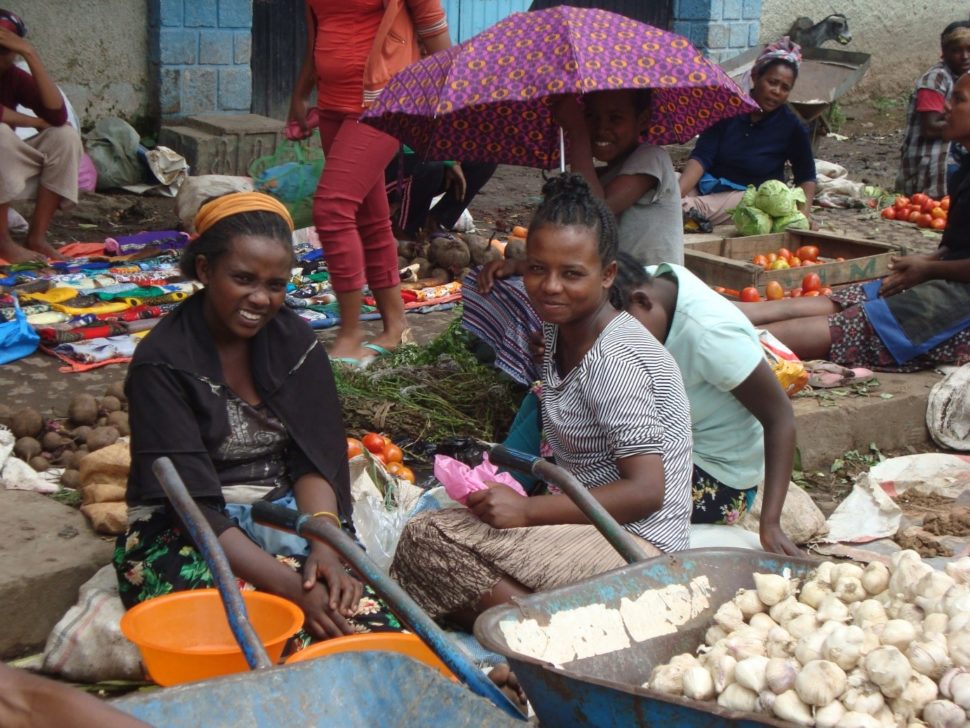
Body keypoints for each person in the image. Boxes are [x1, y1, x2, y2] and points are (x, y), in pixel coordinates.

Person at [389, 174, 693, 625]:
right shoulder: (558, 332)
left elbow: (647, 491)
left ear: (608, 275)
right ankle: (561, 617)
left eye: (572, 274)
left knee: (429, 541)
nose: (551, 287)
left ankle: (545, 630)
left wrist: (529, 510)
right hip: (589, 526)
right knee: (430, 539)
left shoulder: (616, 360)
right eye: (537, 269)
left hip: (637, 546)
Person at [114, 192, 398, 640]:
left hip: (288, 511)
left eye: (276, 285)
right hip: (188, 529)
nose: (260, 299)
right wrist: (289, 586)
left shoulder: (295, 344)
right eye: (243, 278)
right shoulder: (163, 363)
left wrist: (324, 544)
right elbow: (192, 509)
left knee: (361, 617)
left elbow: (313, 458)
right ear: (205, 270)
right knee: (266, 628)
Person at [740, 72, 970, 374]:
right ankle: (734, 315)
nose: (948, 106)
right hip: (948, 277)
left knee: (854, 324)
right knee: (857, 296)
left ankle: (727, 343)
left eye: (960, 100)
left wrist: (929, 268)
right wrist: (928, 261)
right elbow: (958, 246)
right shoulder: (963, 167)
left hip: (960, 301)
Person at [461, 88, 683, 384]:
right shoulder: (603, 174)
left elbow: (595, 211)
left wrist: (577, 131)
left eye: (615, 118)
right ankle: (528, 361)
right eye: (591, 117)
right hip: (597, 283)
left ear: (642, 118)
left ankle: (546, 373)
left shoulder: (651, 158)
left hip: (639, 293)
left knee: (541, 309)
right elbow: (571, 251)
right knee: (495, 286)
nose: (601, 128)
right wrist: (519, 266)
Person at [288, 0, 451, 367]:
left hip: (386, 101)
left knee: (332, 208)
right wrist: (300, 93)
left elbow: (433, 29)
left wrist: (447, 103)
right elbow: (319, 32)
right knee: (369, 215)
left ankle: (349, 335)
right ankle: (397, 328)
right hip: (332, 103)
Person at [679, 37, 816, 226]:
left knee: (686, 208)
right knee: (663, 188)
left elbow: (806, 176)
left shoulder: (792, 127)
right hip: (710, 185)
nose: (776, 91)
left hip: (751, 199)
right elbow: (702, 157)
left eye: (785, 88)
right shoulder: (728, 109)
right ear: (755, 76)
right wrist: (677, 192)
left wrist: (803, 217)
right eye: (772, 82)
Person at [0, 8, 81, 263]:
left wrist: (31, 54)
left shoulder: (13, 75)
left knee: (63, 136)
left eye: (3, 50)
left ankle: (36, 237)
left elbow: (57, 117)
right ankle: (2, 242)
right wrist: (33, 121)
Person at [896, 21, 970, 199]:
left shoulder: (963, 79)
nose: (965, 56)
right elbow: (929, 128)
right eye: (957, 50)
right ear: (944, 52)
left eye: (969, 49)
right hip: (930, 162)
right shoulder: (935, 79)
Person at [385, 149, 497, 241]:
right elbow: (407, 143)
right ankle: (406, 230)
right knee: (432, 166)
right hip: (389, 171)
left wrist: (451, 158)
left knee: (486, 159)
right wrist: (447, 161)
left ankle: (434, 221)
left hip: (431, 161)